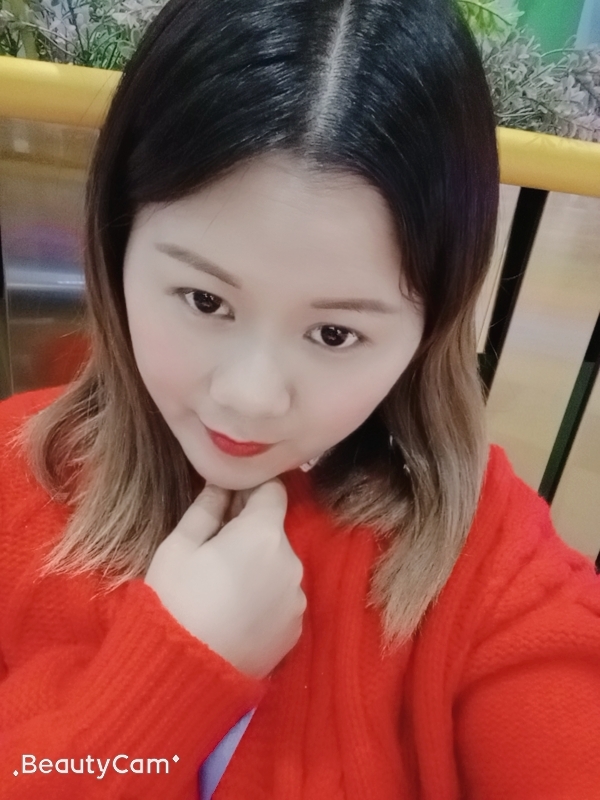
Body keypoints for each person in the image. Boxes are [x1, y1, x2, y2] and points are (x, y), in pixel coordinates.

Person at [1, 0, 599, 797]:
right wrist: (166, 684)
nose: (249, 398)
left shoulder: (491, 567)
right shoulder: (17, 477)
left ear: (430, 327)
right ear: (116, 244)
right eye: (205, 300)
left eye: (335, 334)